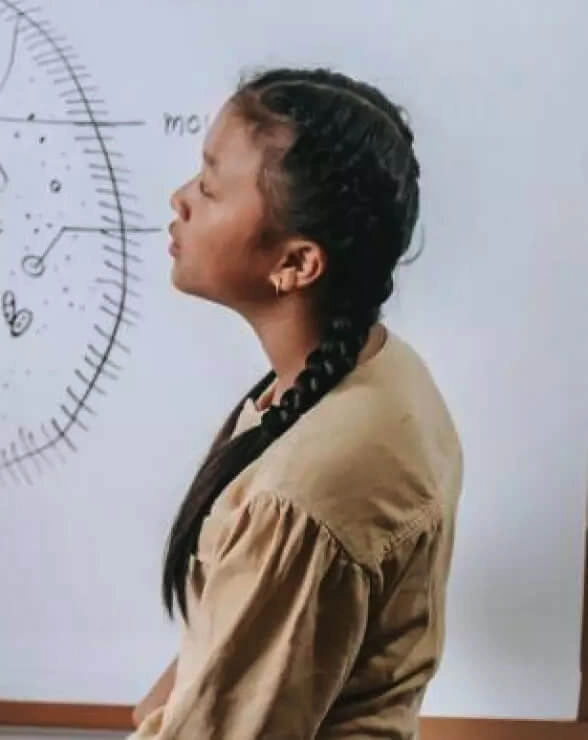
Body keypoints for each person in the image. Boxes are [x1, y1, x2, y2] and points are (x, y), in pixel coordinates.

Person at [131, 68, 462, 739]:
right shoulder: (380, 368)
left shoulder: (302, 496)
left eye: (210, 186)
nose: (180, 198)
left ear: (298, 264)